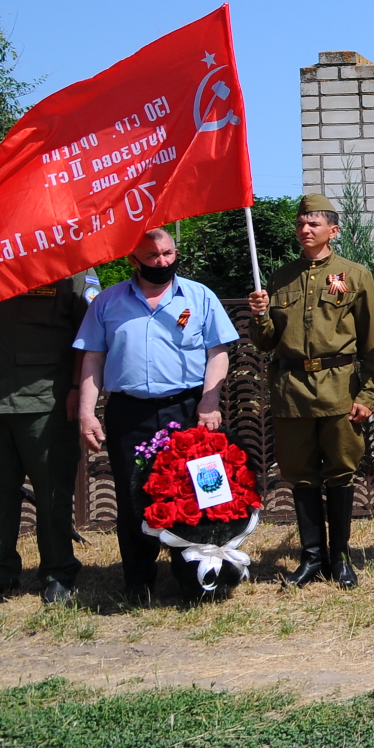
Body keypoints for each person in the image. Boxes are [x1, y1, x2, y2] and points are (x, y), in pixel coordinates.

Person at [74, 228, 241, 602]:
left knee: (196, 493)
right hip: (128, 412)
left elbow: (218, 352)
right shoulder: (107, 302)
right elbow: (93, 359)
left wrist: (209, 404)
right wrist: (88, 413)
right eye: (152, 256)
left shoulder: (199, 297)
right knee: (134, 497)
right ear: (132, 260)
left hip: (185, 409)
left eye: (167, 253)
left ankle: (195, 576)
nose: (163, 262)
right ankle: (138, 580)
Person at [246, 195, 374, 589]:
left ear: (333, 230)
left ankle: (340, 559)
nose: (305, 230)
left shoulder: (355, 275)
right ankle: (312, 558)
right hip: (292, 393)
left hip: (339, 392)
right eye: (301, 224)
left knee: (341, 475)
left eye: (314, 224)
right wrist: (260, 315)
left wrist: (367, 396)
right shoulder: (281, 278)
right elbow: (267, 342)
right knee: (302, 477)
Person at [0, 270, 92, 608]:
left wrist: (75, 389)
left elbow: (89, 335)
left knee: (53, 490)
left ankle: (57, 573)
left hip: (45, 402)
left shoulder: (69, 265)